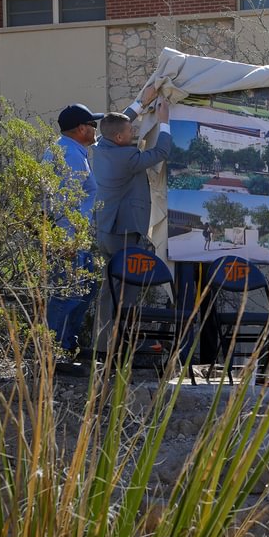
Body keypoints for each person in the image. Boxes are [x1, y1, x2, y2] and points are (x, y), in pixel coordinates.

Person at [91, 89, 173, 345]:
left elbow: (116, 124)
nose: (134, 133)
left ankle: (103, 343)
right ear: (118, 138)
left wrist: (140, 104)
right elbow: (160, 153)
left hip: (106, 228)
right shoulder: (126, 157)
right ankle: (116, 344)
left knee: (109, 289)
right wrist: (164, 122)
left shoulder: (102, 146)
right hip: (122, 230)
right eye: (129, 132)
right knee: (126, 289)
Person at [44, 102, 103, 364]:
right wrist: (68, 240)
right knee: (65, 293)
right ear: (81, 129)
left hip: (73, 237)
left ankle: (66, 345)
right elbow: (65, 200)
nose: (95, 130)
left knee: (86, 287)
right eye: (93, 125)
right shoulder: (70, 154)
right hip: (68, 237)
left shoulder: (71, 150)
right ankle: (53, 350)